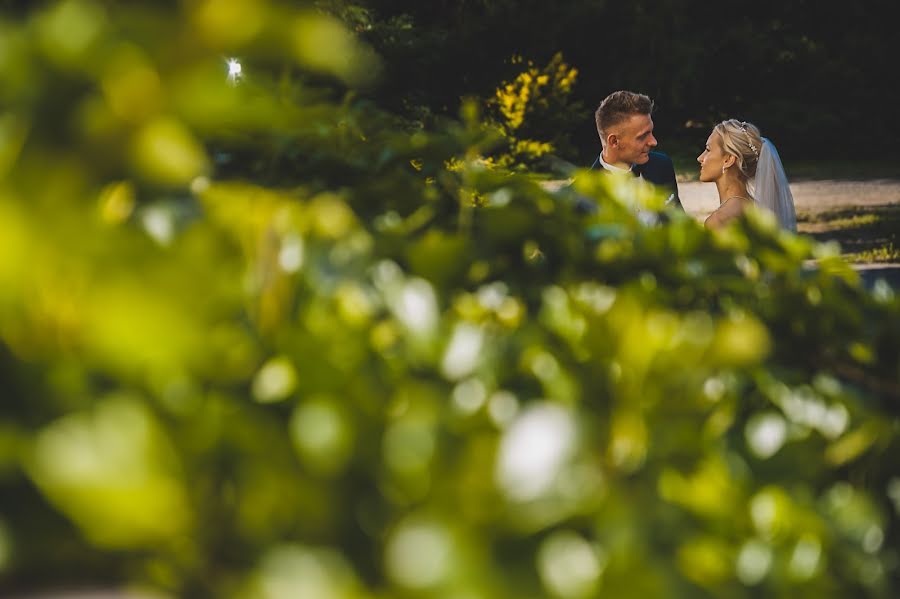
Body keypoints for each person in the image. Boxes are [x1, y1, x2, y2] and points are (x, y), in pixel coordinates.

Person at [590, 90, 683, 211]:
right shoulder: (582, 195)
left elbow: (679, 221)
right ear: (614, 141)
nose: (653, 142)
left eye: (651, 132)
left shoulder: (662, 165)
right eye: (642, 136)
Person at [698, 119, 797, 231]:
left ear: (728, 160)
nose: (700, 158)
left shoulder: (719, 221)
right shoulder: (762, 212)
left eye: (708, 150)